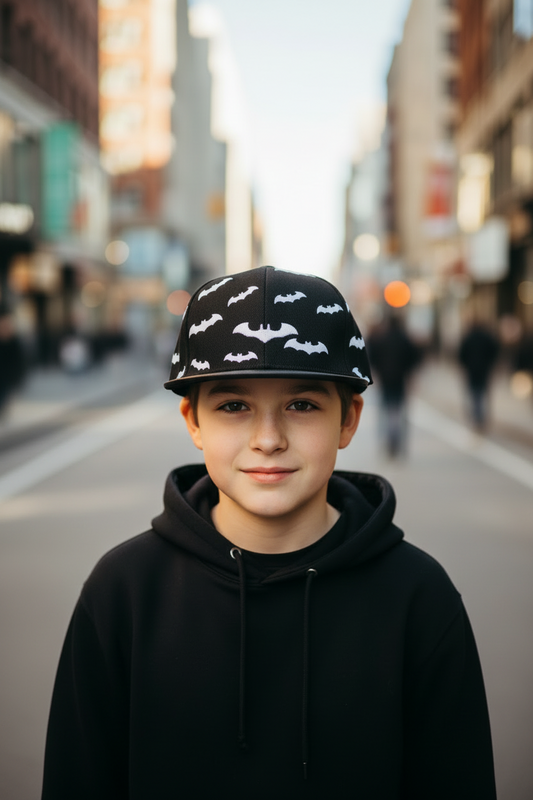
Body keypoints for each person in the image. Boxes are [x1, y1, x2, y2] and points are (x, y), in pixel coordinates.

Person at [41, 266, 496, 799]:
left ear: (348, 419)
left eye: (301, 405)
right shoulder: (124, 591)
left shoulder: (418, 596)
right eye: (234, 407)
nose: (268, 439)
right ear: (193, 421)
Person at [367, 314, 421, 457]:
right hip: (400, 380)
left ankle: (387, 440)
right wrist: (410, 375)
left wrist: (376, 373)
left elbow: (373, 357)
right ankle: (396, 440)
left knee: (384, 412)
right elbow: (414, 357)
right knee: (398, 412)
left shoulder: (382, 339)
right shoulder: (405, 340)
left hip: (385, 380)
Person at [458, 322, 499, 432]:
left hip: (472, 370)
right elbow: (494, 351)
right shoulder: (487, 338)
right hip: (484, 370)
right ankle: (482, 417)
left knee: (475, 394)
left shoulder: (469, 338)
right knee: (483, 393)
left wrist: (464, 366)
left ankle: (477, 418)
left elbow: (461, 354)